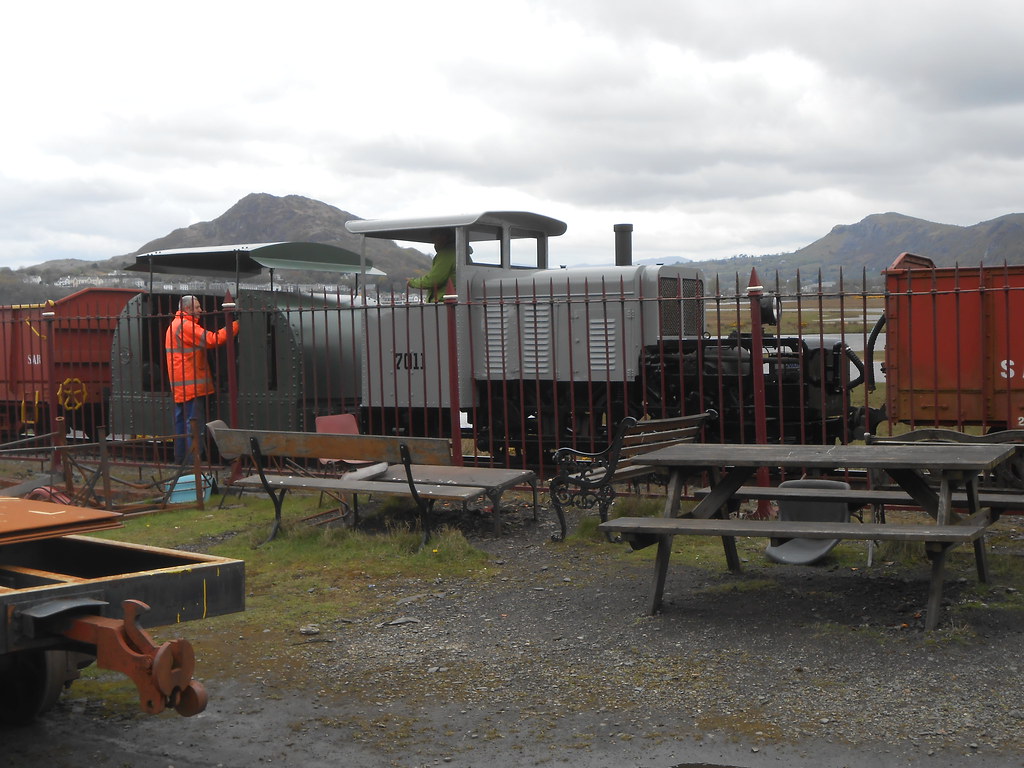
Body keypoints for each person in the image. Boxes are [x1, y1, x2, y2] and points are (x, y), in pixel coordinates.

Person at [165, 295, 240, 463]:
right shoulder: (186, 326)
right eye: (197, 307)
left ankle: (181, 460)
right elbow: (214, 339)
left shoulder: (175, 325)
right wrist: (235, 325)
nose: (201, 310)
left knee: (181, 425)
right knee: (193, 426)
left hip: (182, 385)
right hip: (191, 386)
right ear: (188, 309)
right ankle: (194, 463)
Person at [407, 230, 457, 302]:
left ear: (444, 237)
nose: (434, 241)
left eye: (435, 237)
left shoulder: (447, 255)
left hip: (444, 301)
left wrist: (412, 282)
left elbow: (434, 279)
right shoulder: (459, 252)